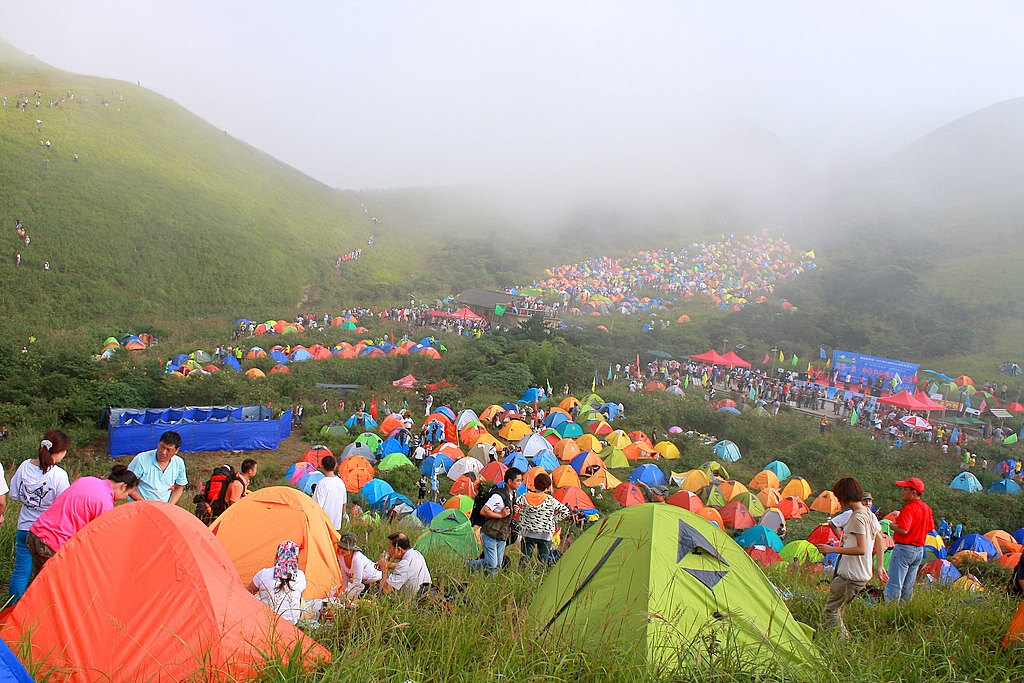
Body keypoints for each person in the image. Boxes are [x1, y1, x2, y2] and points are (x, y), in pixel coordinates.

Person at [27, 465, 139, 578]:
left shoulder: (87, 480)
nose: (125, 497)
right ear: (123, 487)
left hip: (35, 533)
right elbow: (100, 538)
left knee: (40, 580)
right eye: (128, 493)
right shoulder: (105, 503)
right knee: (58, 583)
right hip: (54, 544)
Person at [815, 478, 888, 638]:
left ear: (845, 496)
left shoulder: (857, 517)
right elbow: (879, 539)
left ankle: (844, 644)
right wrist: (879, 566)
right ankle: (826, 638)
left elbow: (861, 549)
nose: (838, 502)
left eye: (839, 498)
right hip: (862, 575)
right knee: (838, 610)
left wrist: (832, 549)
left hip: (851, 575)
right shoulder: (869, 514)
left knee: (831, 611)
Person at [8, 430, 72, 603]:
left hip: (24, 527)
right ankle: (39, 608)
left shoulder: (24, 466)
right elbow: (64, 505)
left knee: (21, 571)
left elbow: (13, 494)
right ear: (59, 452)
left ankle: (12, 608)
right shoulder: (59, 475)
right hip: (46, 532)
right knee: (46, 574)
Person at [883, 477, 935, 602]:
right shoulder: (926, 508)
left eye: (905, 489)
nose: (902, 491)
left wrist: (892, 525)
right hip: (919, 550)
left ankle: (890, 607)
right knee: (908, 585)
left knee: (895, 582)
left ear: (914, 492)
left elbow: (903, 529)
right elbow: (931, 528)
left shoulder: (909, 508)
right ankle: (905, 606)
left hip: (904, 548)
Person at [470, 468, 523, 575]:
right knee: (492, 565)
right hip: (490, 532)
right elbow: (484, 511)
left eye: (520, 481)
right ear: (509, 481)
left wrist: (514, 510)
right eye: (518, 480)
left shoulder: (512, 495)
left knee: (497, 564)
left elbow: (507, 513)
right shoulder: (498, 496)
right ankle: (472, 568)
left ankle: (472, 566)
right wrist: (500, 515)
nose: (520, 483)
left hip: (502, 533)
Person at [516, 472, 572, 566]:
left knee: (524, 558)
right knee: (543, 561)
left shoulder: (525, 497)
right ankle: (539, 573)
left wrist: (520, 512)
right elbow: (565, 511)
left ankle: (522, 572)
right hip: (545, 534)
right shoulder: (551, 500)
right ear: (547, 488)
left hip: (527, 533)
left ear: (534, 484)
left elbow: (514, 504)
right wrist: (553, 519)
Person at [247, 540, 306, 624]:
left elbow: (246, 594)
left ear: (277, 556)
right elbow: (298, 599)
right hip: (292, 624)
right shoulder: (301, 575)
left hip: (267, 623)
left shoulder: (264, 573)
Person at [127, 431, 187, 504]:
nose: (163, 452)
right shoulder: (141, 459)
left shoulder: (179, 463)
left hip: (163, 507)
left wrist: (169, 506)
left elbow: (179, 487)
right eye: (162, 447)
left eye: (169, 450)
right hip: (139, 504)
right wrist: (145, 504)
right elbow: (127, 485)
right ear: (158, 444)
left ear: (176, 450)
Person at [336, 532, 381, 597]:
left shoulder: (357, 558)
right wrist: (344, 589)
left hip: (376, 582)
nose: (341, 550)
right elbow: (344, 576)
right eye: (340, 547)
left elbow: (357, 581)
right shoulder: (341, 556)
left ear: (352, 549)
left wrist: (347, 595)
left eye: (345, 548)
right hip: (363, 584)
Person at [312, 455, 348, 530]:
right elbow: (344, 504)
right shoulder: (340, 482)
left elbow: (318, 505)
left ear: (322, 467)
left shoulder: (322, 483)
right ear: (335, 466)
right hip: (336, 524)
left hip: (323, 523)